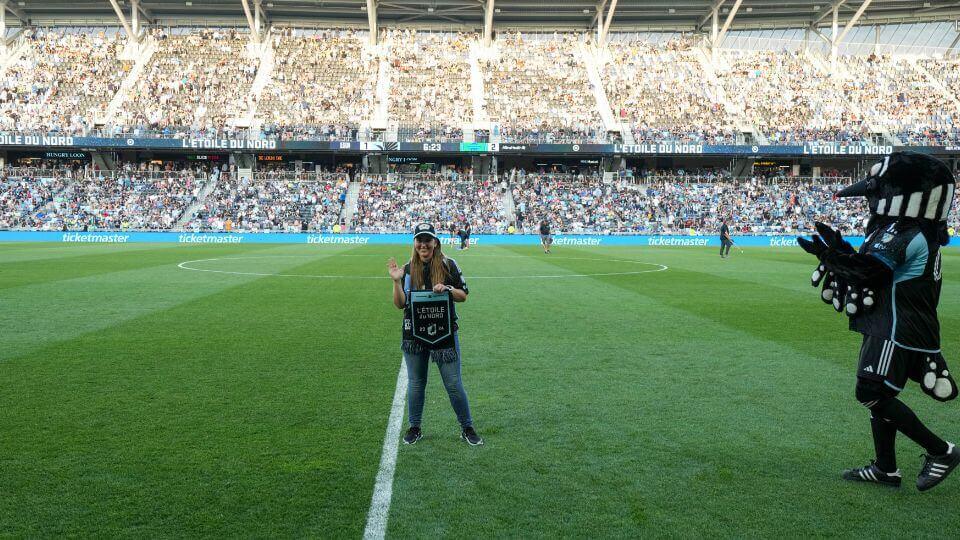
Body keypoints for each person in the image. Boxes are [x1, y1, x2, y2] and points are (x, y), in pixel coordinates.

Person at [798, 152, 958, 491]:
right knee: (877, 389)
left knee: (870, 390)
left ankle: (940, 451)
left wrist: (832, 256)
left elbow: (872, 272)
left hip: (898, 325)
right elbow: (872, 265)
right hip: (894, 322)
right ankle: (886, 469)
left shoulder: (905, 230)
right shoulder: (906, 229)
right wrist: (842, 251)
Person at [387, 223, 483, 446]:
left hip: (444, 333)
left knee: (453, 383)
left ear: (435, 242)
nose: (423, 244)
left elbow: (463, 296)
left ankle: (467, 427)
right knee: (416, 383)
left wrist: (448, 289)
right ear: (414, 243)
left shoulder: (449, 264)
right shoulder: (407, 269)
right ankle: (415, 427)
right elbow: (400, 304)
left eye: (427, 240)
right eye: (419, 240)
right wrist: (395, 282)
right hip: (414, 334)